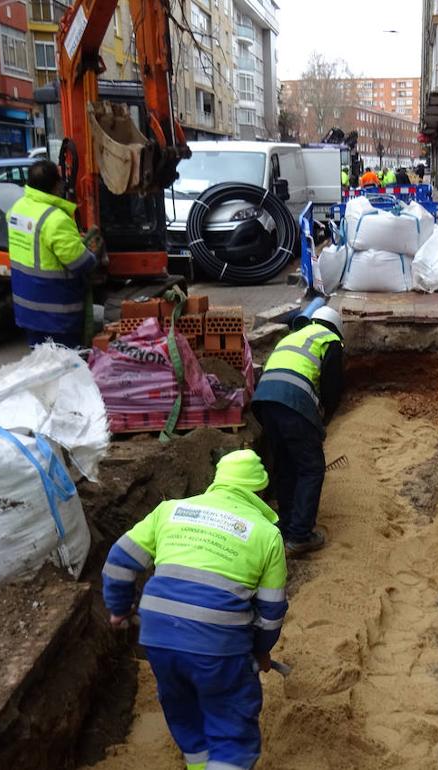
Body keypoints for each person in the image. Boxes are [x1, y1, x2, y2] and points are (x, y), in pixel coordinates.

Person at [102, 449, 288, 770]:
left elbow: (118, 562)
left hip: (158, 637)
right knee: (231, 727)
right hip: (218, 644)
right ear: (258, 492)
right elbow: (271, 612)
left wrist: (119, 609)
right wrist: (259, 651)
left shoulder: (170, 510)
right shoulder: (267, 534)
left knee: (182, 707)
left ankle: (199, 765)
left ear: (217, 482)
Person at [251, 306, 345, 556]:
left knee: (285, 465)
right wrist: (323, 421)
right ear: (335, 327)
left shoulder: (293, 336)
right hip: (292, 400)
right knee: (311, 468)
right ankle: (301, 536)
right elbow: (332, 389)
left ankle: (286, 526)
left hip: (264, 400)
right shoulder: (331, 340)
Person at [6, 159, 103, 348]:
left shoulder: (17, 209)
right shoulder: (56, 219)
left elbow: (36, 241)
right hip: (56, 312)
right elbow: (79, 262)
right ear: (56, 185)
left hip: (27, 307)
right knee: (66, 367)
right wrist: (94, 254)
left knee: (42, 364)